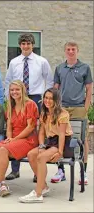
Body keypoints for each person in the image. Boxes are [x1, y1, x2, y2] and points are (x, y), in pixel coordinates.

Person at [4, 33, 54, 181]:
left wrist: (45, 99)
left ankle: (35, 169)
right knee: (16, 129)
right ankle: (15, 169)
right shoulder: (14, 62)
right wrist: (9, 100)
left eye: (29, 44)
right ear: (20, 45)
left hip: (36, 98)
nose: (26, 46)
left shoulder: (42, 61)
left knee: (37, 130)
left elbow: (49, 80)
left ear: (33, 45)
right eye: (23, 44)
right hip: (17, 97)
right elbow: (8, 81)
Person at [0, 80, 39, 197]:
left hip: (28, 139)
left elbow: (30, 127)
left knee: (3, 149)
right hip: (14, 139)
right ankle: (2, 184)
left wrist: (15, 139)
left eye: (17, 89)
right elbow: (9, 126)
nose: (14, 92)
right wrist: (9, 138)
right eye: (12, 90)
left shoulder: (30, 104)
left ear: (23, 90)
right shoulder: (10, 105)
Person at [19, 88, 73, 203]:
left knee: (41, 157)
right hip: (50, 142)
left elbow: (62, 134)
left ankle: (38, 194)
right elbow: (42, 132)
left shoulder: (63, 114)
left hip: (62, 143)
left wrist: (60, 152)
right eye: (46, 98)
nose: (47, 101)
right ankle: (43, 186)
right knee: (31, 154)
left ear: (56, 100)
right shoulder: (44, 113)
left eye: (51, 98)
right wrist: (41, 145)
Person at [52, 41, 92, 185]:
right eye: (68, 49)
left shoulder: (85, 68)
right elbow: (55, 89)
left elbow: (89, 89)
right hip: (62, 108)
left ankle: (83, 172)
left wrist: (85, 108)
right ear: (65, 51)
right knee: (58, 138)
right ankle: (60, 170)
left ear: (77, 51)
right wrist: (55, 108)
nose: (70, 51)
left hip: (78, 108)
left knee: (82, 139)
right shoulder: (59, 68)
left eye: (73, 49)